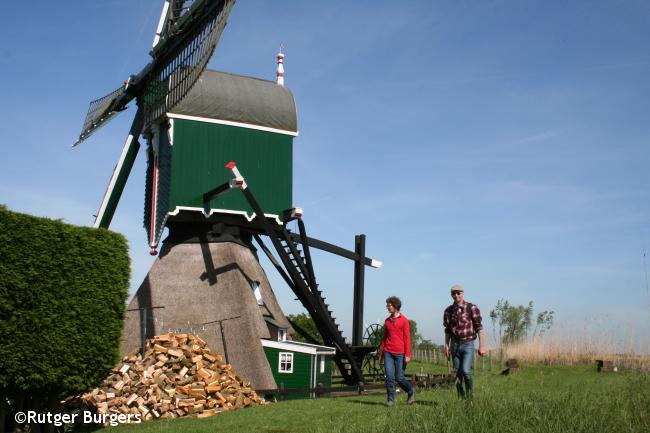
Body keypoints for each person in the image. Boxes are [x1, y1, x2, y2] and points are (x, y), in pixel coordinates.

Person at [443, 284, 486, 399]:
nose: (456, 295)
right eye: (453, 293)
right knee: (458, 375)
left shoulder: (471, 308)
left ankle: (470, 397)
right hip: (455, 345)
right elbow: (447, 330)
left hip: (468, 345)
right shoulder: (448, 311)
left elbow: (479, 328)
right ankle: (461, 399)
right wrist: (446, 345)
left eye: (458, 293)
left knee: (466, 371)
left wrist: (482, 346)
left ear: (463, 293)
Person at [379, 296, 415, 406]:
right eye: (387, 305)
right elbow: (384, 338)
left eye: (389, 305)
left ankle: (410, 392)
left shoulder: (404, 321)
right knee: (389, 377)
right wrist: (381, 353)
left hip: (400, 353)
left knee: (399, 377)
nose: (387, 307)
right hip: (388, 352)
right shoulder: (387, 321)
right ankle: (391, 400)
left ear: (395, 306)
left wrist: (407, 354)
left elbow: (407, 338)